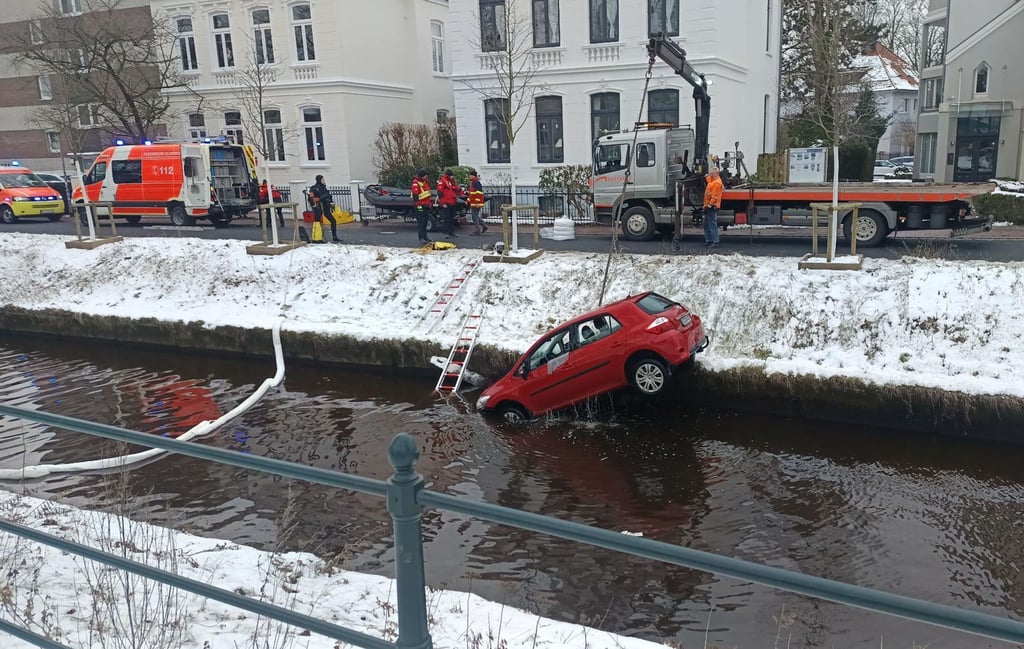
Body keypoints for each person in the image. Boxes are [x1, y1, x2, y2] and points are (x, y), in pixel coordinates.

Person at [309, 174, 341, 242]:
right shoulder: (314, 188)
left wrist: (330, 202)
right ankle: (317, 238)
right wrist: (321, 198)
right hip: (318, 208)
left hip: (326, 207)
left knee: (333, 221)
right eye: (322, 180)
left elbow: (328, 196)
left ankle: (334, 237)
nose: (324, 181)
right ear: (319, 180)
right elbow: (312, 199)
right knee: (317, 222)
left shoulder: (324, 188)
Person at [436, 169, 460, 239]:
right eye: (452, 175)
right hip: (446, 202)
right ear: (449, 175)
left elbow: (456, 189)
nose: (453, 177)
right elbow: (440, 193)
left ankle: (451, 232)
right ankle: (446, 233)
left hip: (452, 202)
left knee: (452, 218)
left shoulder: (451, 181)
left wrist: (454, 183)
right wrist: (442, 203)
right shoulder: (443, 181)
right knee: (447, 218)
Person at [703, 167, 723, 248]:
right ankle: (709, 240)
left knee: (711, 224)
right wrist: (706, 176)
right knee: (706, 224)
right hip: (709, 205)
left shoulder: (717, 183)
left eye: (712, 174)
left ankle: (714, 241)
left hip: (712, 206)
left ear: (717, 174)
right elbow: (709, 181)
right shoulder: (713, 180)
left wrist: (709, 206)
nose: (711, 175)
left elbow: (714, 196)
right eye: (710, 173)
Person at [411, 169, 433, 244]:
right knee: (421, 221)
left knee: (425, 221)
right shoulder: (416, 183)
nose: (426, 176)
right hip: (419, 205)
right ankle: (421, 237)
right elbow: (415, 195)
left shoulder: (425, 182)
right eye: (425, 175)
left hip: (425, 204)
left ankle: (425, 237)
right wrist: (418, 204)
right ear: (422, 175)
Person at [466, 169, 487, 235]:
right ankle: (484, 226)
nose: (469, 177)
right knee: (475, 216)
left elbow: (479, 193)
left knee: (474, 216)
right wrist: (468, 200)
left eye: (470, 175)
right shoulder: (473, 182)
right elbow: (472, 194)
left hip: (476, 203)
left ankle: (478, 230)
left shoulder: (475, 183)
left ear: (473, 176)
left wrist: (477, 202)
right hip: (474, 202)